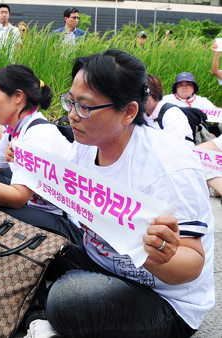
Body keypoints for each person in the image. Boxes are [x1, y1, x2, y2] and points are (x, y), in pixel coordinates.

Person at [21, 49, 214, 338]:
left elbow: (191, 265)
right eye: (70, 102)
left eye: (84, 107)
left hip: (163, 301)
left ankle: (51, 314)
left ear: (128, 112)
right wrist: (26, 167)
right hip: (101, 260)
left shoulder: (170, 168)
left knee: (67, 297)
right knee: (16, 227)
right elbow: (64, 200)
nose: (72, 115)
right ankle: (43, 319)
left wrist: (152, 253)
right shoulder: (86, 143)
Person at [0, 65, 72, 248]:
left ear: (17, 96)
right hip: (37, 210)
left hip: (64, 222)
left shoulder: (38, 134)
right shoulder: (15, 130)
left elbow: (18, 198)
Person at [145, 74, 194, 147]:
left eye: (145, 94)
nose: (139, 99)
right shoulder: (138, 112)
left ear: (157, 93)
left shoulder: (172, 114)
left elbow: (171, 149)